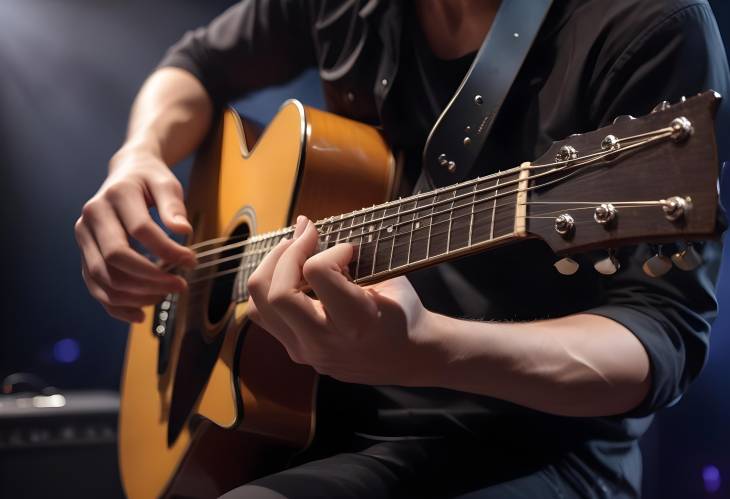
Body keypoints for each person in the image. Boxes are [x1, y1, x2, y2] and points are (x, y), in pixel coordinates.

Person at [74, 1, 730, 497]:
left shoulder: (648, 25)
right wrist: (135, 157)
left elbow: (661, 335)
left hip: (523, 441)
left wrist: (428, 349)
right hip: (315, 408)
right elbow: (195, 65)